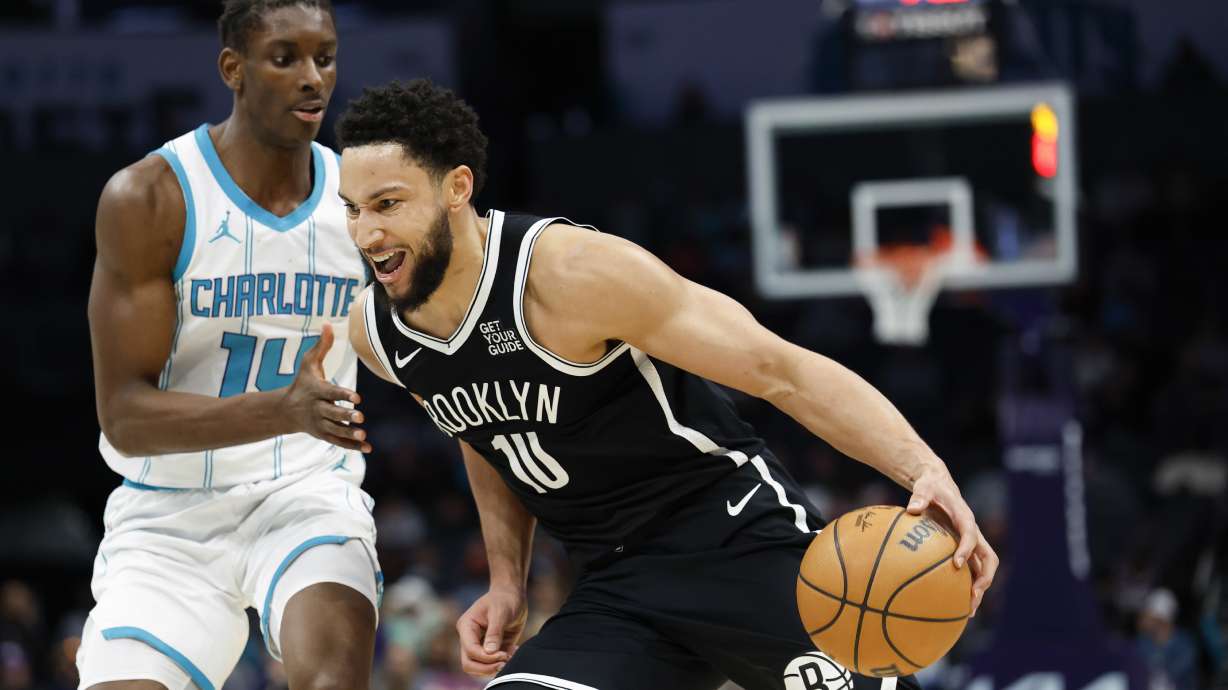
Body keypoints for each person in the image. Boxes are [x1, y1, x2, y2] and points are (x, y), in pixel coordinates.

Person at [337, 79, 998, 690]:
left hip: (735, 540)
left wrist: (923, 468)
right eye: (352, 209)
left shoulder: (574, 276)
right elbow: (483, 435)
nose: (367, 233)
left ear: (456, 188)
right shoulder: (379, 333)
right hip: (616, 588)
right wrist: (508, 580)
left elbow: (781, 371)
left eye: (388, 204)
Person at [80, 2, 379, 688]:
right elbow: (123, 416)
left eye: (325, 57)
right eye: (285, 58)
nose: (312, 78)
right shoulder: (150, 196)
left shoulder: (360, 200)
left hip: (306, 493)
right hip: (169, 516)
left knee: (332, 676)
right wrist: (281, 411)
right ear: (233, 69)